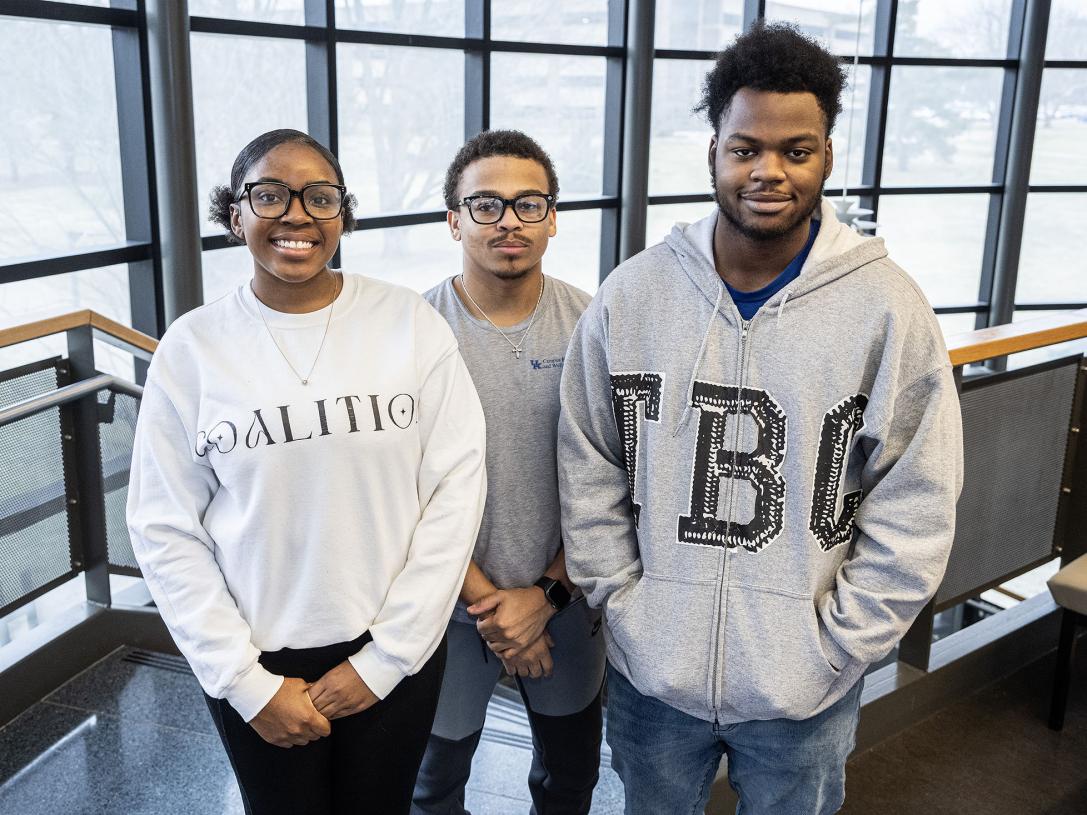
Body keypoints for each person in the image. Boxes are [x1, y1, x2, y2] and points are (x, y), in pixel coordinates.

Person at [557, 23, 964, 815]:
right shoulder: (633, 295)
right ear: (712, 150)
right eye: (745, 148)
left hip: (802, 687)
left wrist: (838, 645)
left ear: (826, 156)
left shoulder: (887, 309)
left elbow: (915, 497)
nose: (768, 171)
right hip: (653, 675)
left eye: (795, 150)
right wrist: (624, 604)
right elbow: (587, 459)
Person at [126, 128, 487, 815]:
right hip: (255, 657)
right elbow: (162, 525)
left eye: (319, 197)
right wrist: (244, 681)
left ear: (342, 215)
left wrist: (384, 659)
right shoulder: (193, 349)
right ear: (235, 216)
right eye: (269, 195)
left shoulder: (406, 323)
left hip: (394, 651)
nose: (296, 214)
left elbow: (455, 492)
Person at [412, 130, 605, 815]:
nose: (508, 222)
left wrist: (544, 597)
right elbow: (403, 492)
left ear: (552, 218)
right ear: (453, 219)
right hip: (447, 605)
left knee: (568, 779)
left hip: (567, 594)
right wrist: (494, 610)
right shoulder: (414, 331)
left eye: (528, 204)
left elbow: (614, 482)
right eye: (486, 205)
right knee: (431, 788)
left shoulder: (593, 323)